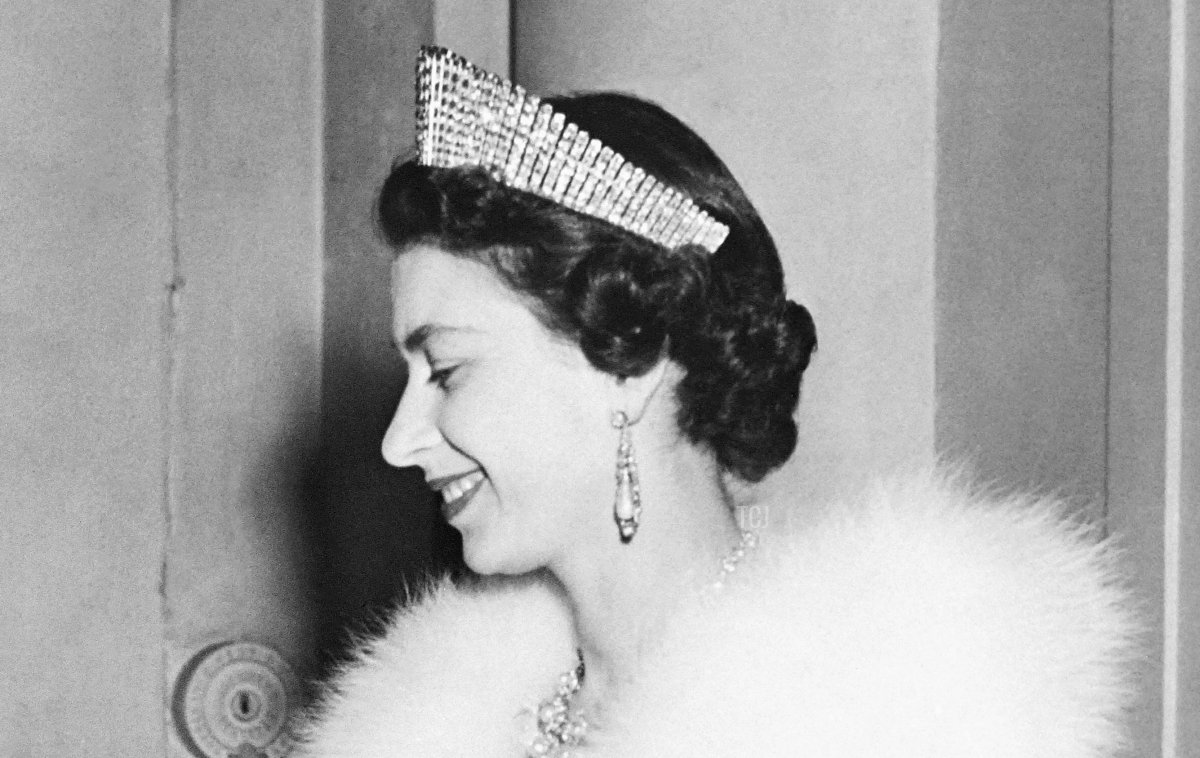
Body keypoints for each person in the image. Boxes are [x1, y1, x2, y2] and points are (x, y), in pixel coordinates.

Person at [293, 47, 1139, 757]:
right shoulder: (433, 720)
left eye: (446, 371)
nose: (399, 443)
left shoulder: (894, 711)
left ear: (629, 359)